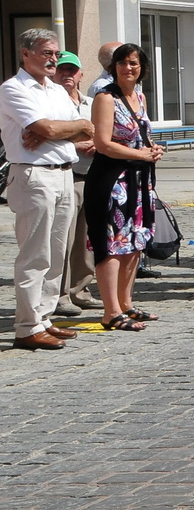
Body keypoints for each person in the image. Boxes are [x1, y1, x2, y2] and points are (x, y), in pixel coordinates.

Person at [0, 29, 95, 350]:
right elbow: (53, 127)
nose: (53, 59)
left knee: (57, 254)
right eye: (46, 53)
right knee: (35, 254)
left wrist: (58, 130)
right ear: (25, 54)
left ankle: (44, 318)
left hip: (65, 174)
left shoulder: (55, 91)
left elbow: (85, 129)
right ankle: (26, 326)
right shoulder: (13, 89)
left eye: (56, 53)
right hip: (33, 176)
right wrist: (59, 129)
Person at [86, 42, 164, 330]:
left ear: (142, 67)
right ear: (113, 67)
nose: (128, 68)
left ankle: (126, 303)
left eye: (133, 63)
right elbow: (103, 144)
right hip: (111, 181)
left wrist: (152, 149)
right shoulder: (106, 98)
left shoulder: (139, 97)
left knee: (133, 243)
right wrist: (140, 154)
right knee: (111, 244)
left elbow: (137, 137)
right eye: (122, 63)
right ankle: (111, 311)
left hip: (138, 181)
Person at [54, 53, 101, 319]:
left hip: (93, 175)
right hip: (67, 175)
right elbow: (48, 139)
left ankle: (80, 290)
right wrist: (76, 145)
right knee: (64, 239)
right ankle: (59, 295)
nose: (67, 75)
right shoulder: (52, 104)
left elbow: (106, 131)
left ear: (81, 74)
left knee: (87, 239)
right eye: (62, 70)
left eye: (72, 70)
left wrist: (99, 143)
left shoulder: (91, 104)